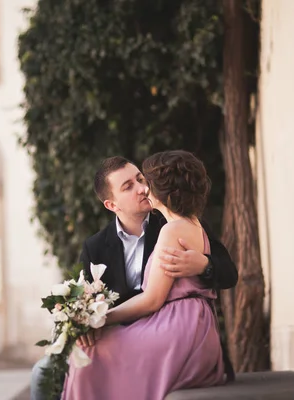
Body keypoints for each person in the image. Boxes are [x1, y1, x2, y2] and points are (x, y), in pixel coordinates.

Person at [31, 154, 238, 400]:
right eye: (128, 187)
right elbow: (85, 300)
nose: (142, 189)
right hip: (124, 336)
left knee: (84, 364)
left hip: (173, 334)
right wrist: (83, 324)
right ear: (111, 204)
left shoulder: (173, 220)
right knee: (42, 372)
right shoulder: (95, 248)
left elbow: (229, 274)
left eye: (141, 179)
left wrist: (204, 265)